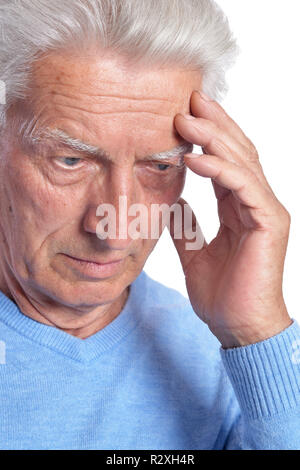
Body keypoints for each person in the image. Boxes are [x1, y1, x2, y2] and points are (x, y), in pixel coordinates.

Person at [0, 0, 299, 450]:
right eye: (71, 160)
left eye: (159, 166)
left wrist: (258, 333)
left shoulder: (232, 361)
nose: (117, 231)